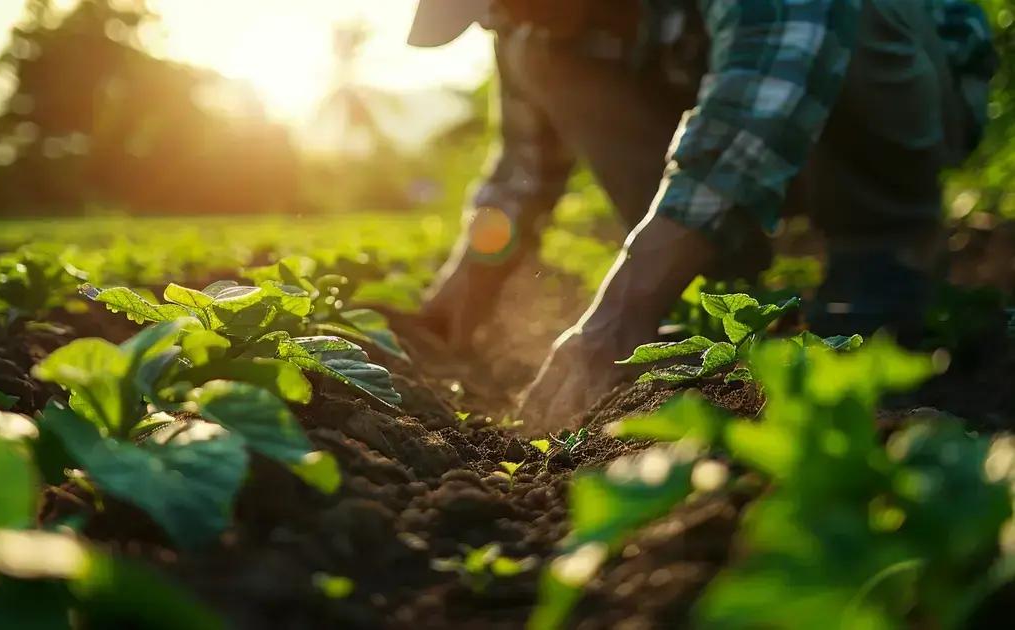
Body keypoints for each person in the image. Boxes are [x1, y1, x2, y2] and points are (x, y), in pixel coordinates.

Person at [408, 0, 997, 431]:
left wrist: (619, 312)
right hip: (747, 127)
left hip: (900, 84)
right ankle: (705, 281)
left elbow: (761, 96)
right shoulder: (526, 22)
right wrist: (461, 288)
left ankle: (881, 254)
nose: (502, 16)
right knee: (540, 53)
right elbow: (523, 167)